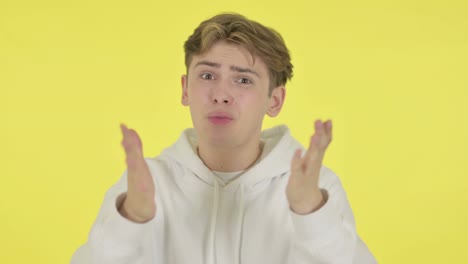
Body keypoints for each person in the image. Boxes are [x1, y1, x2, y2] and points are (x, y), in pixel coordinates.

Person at [71, 13, 377, 264]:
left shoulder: (315, 186)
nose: (221, 95)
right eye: (207, 76)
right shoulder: (146, 184)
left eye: (243, 80)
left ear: (275, 100)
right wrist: (130, 221)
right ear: (185, 89)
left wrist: (311, 214)